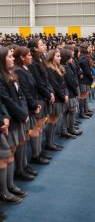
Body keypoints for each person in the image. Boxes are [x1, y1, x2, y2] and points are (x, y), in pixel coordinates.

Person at [0, 47, 28, 204]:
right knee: (6, 154)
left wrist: (23, 112)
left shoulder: (12, 74)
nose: (13, 59)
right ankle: (4, 191)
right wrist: (19, 113)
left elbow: (20, 95)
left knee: (12, 151)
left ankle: (10, 185)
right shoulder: (1, 77)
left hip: (15, 117)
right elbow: (6, 100)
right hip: (9, 118)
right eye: (10, 56)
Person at [13, 46, 41, 179]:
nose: (31, 56)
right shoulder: (18, 71)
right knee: (22, 140)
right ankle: (20, 169)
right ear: (22, 57)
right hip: (25, 109)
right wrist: (34, 105)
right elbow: (25, 92)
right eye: (28, 55)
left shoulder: (25, 69)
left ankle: (23, 166)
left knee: (25, 138)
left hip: (29, 108)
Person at [45, 49, 68, 151]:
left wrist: (66, 94)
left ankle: (52, 141)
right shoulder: (49, 69)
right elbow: (54, 85)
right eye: (57, 56)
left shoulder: (58, 67)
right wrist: (63, 95)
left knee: (56, 118)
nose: (60, 58)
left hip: (61, 96)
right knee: (52, 119)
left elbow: (63, 83)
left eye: (60, 56)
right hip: (56, 97)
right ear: (51, 57)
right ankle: (48, 143)